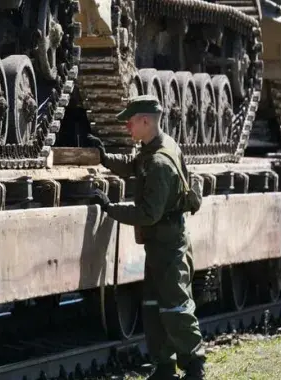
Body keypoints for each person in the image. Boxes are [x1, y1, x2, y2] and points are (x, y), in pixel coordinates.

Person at [87, 95, 206, 380]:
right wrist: (106, 159)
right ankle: (164, 366)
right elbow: (134, 166)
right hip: (159, 243)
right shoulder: (157, 147)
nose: (127, 126)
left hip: (168, 243)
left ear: (145, 121)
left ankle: (194, 366)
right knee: (153, 306)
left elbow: (148, 214)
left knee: (175, 305)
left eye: (130, 121)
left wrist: (110, 208)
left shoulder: (159, 162)